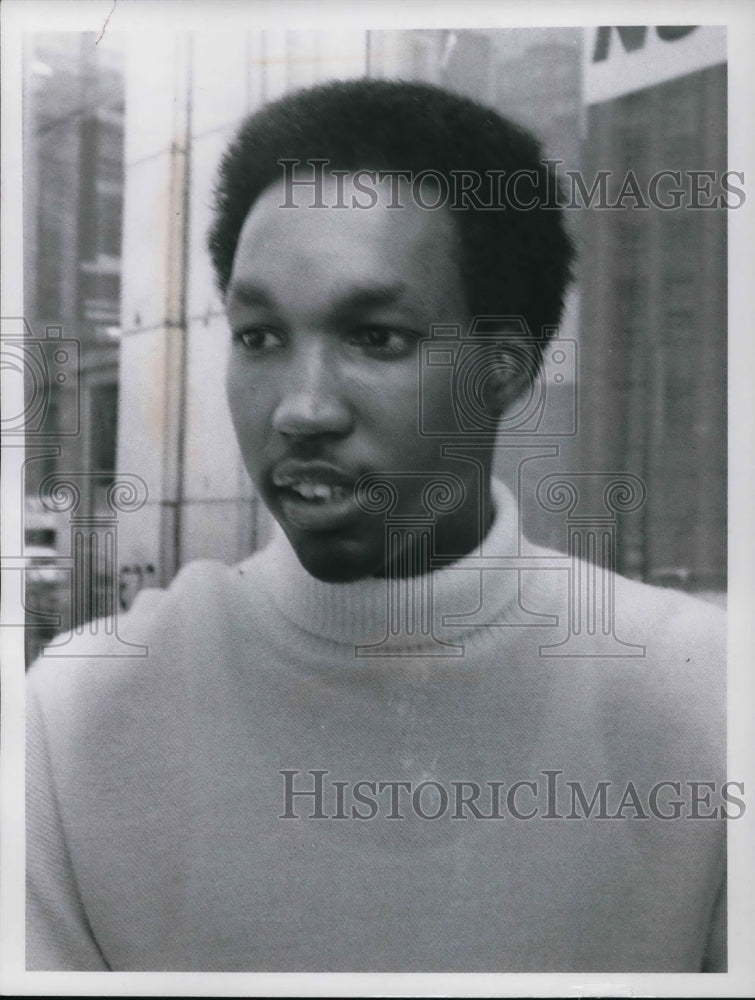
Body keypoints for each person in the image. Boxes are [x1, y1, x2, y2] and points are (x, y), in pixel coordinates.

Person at [26, 79, 726, 972]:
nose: (301, 409)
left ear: (503, 369)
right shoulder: (76, 718)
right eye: (259, 336)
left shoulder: (702, 698)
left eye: (377, 337)